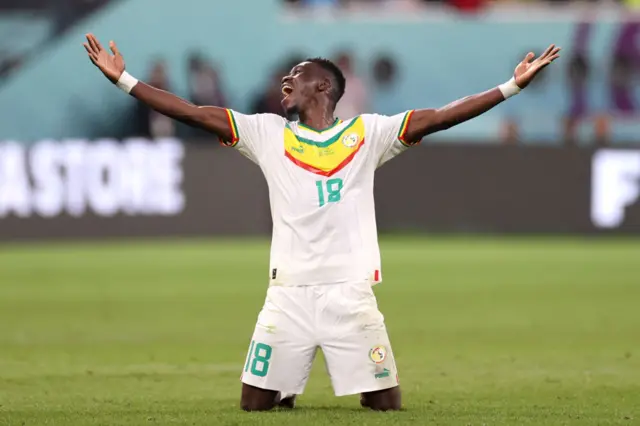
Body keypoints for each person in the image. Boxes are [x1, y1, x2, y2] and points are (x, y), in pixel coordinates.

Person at [83, 33, 560, 411]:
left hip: (349, 293)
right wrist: (125, 81)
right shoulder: (266, 133)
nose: (285, 81)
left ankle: (300, 379)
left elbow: (440, 117)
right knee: (253, 405)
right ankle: (286, 380)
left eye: (297, 74)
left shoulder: (368, 133)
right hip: (287, 294)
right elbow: (191, 112)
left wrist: (511, 86)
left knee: (384, 405)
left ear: (323, 87)